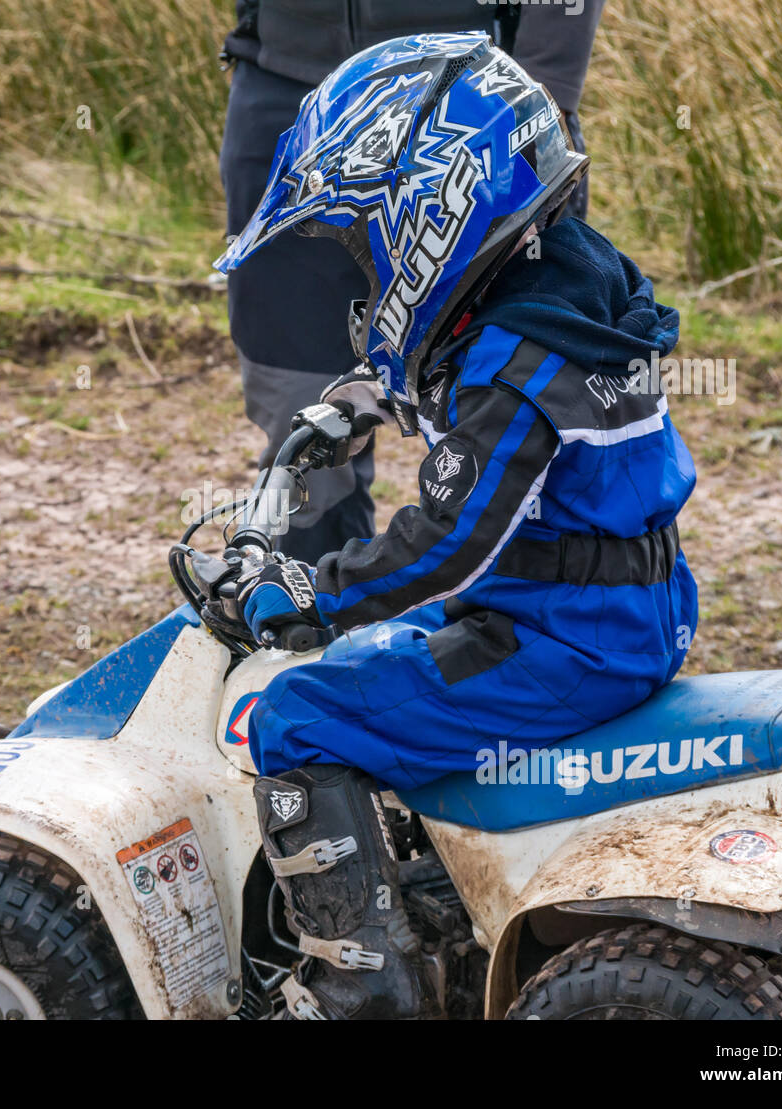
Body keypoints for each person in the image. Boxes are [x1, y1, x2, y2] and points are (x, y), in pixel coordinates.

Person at [215, 33, 698, 1020]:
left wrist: (312, 592)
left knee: (297, 712)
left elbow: (448, 538)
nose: (367, 262)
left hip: (558, 634)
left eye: (368, 238)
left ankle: (364, 981)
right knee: (381, 668)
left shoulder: (514, 356)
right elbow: (511, 429)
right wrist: (372, 401)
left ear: (431, 211)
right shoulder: (568, 281)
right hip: (617, 602)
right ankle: (436, 886)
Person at [220, 0, 606, 563]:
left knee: (515, 382)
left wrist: (548, 81)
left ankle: (535, 618)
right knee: (297, 403)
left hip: (469, 101)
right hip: (289, 86)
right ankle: (299, 612)